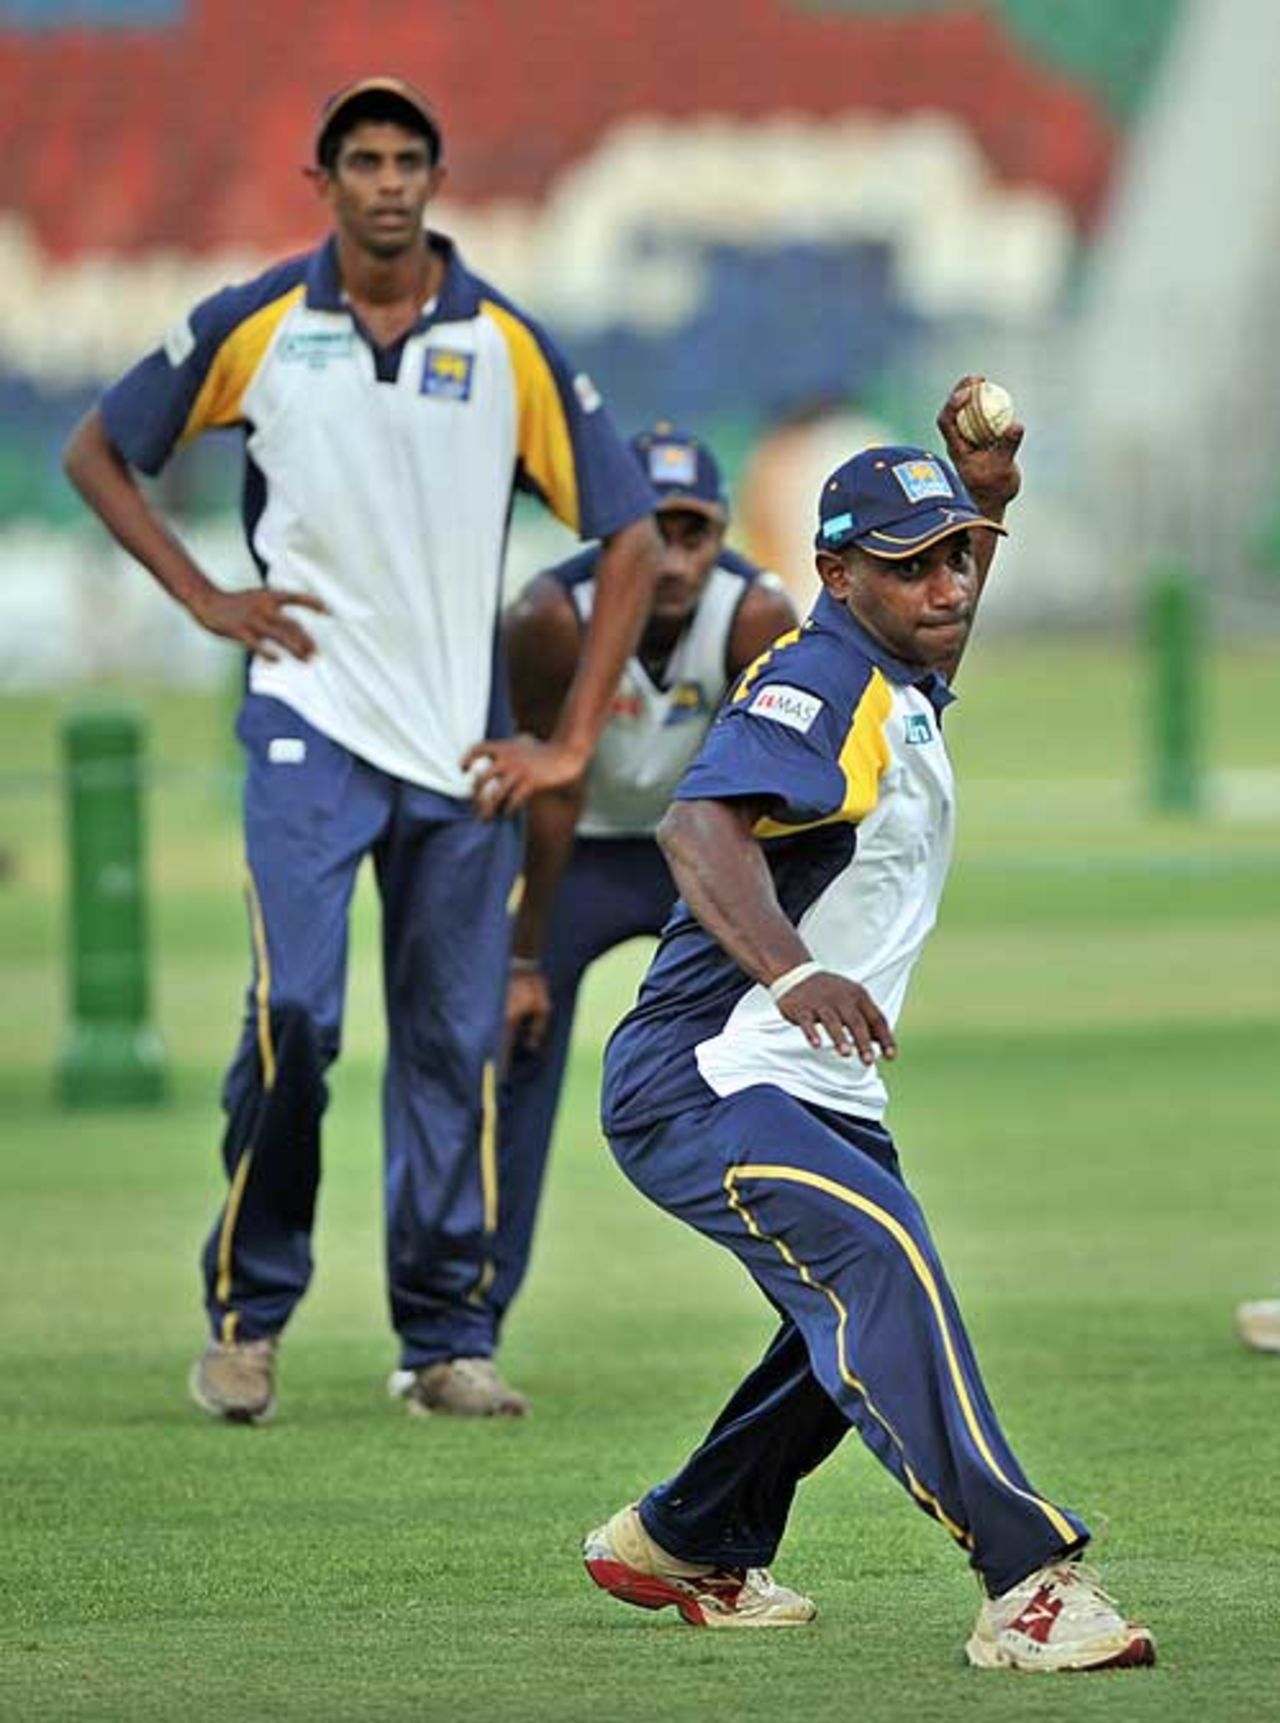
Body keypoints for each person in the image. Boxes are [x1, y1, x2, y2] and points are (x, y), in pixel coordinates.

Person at [62, 75, 661, 1424]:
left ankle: (444, 1340)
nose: (387, 182)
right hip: (309, 723)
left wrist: (568, 742)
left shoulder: (505, 343)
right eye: (363, 160)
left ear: (435, 181)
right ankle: (248, 1315)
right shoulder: (260, 321)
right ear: (321, 182)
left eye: (407, 160)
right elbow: (100, 448)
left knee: (451, 1043)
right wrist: (202, 597)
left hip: (460, 750)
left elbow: (628, 532)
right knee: (297, 1014)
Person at [581, 382, 1156, 1672]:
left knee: (846, 1321)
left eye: (959, 557)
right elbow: (695, 827)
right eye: (910, 564)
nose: (945, 585)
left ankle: (685, 1536)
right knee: (882, 1272)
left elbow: (932, 642)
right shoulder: (818, 677)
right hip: (708, 1076)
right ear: (834, 576)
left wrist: (980, 497)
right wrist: (791, 972)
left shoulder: (894, 673)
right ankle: (1026, 1584)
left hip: (809, 1079)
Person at [489, 423, 797, 1330]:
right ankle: (464, 1328)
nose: (673, 560)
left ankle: (806, 1307)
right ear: (609, 530)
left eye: (694, 532)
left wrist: (777, 950)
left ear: (725, 532)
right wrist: (523, 958)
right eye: (652, 531)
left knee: (770, 1061)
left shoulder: (754, 612)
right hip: (571, 853)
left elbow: (768, 793)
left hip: (695, 858)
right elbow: (547, 789)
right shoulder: (551, 614)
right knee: (507, 1054)